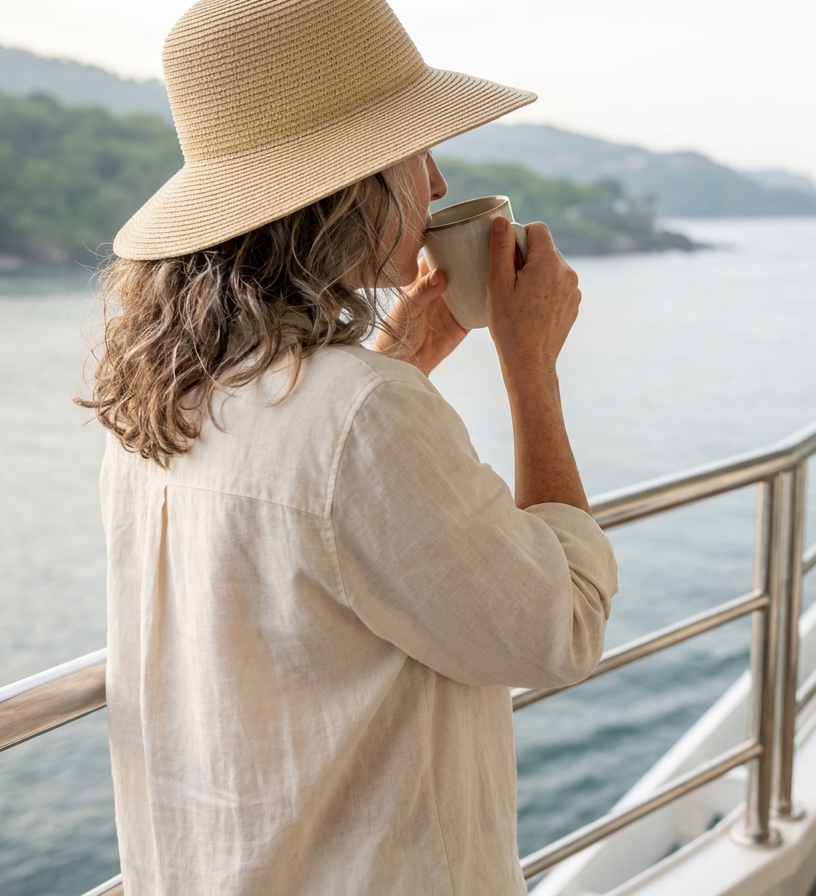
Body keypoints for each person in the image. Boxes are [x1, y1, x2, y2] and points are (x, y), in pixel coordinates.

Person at [79, 0, 618, 893]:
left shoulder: (163, 393)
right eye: (414, 152)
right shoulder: (364, 410)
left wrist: (398, 361)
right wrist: (532, 369)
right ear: (347, 184)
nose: (437, 183)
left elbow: (302, 552)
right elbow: (559, 631)